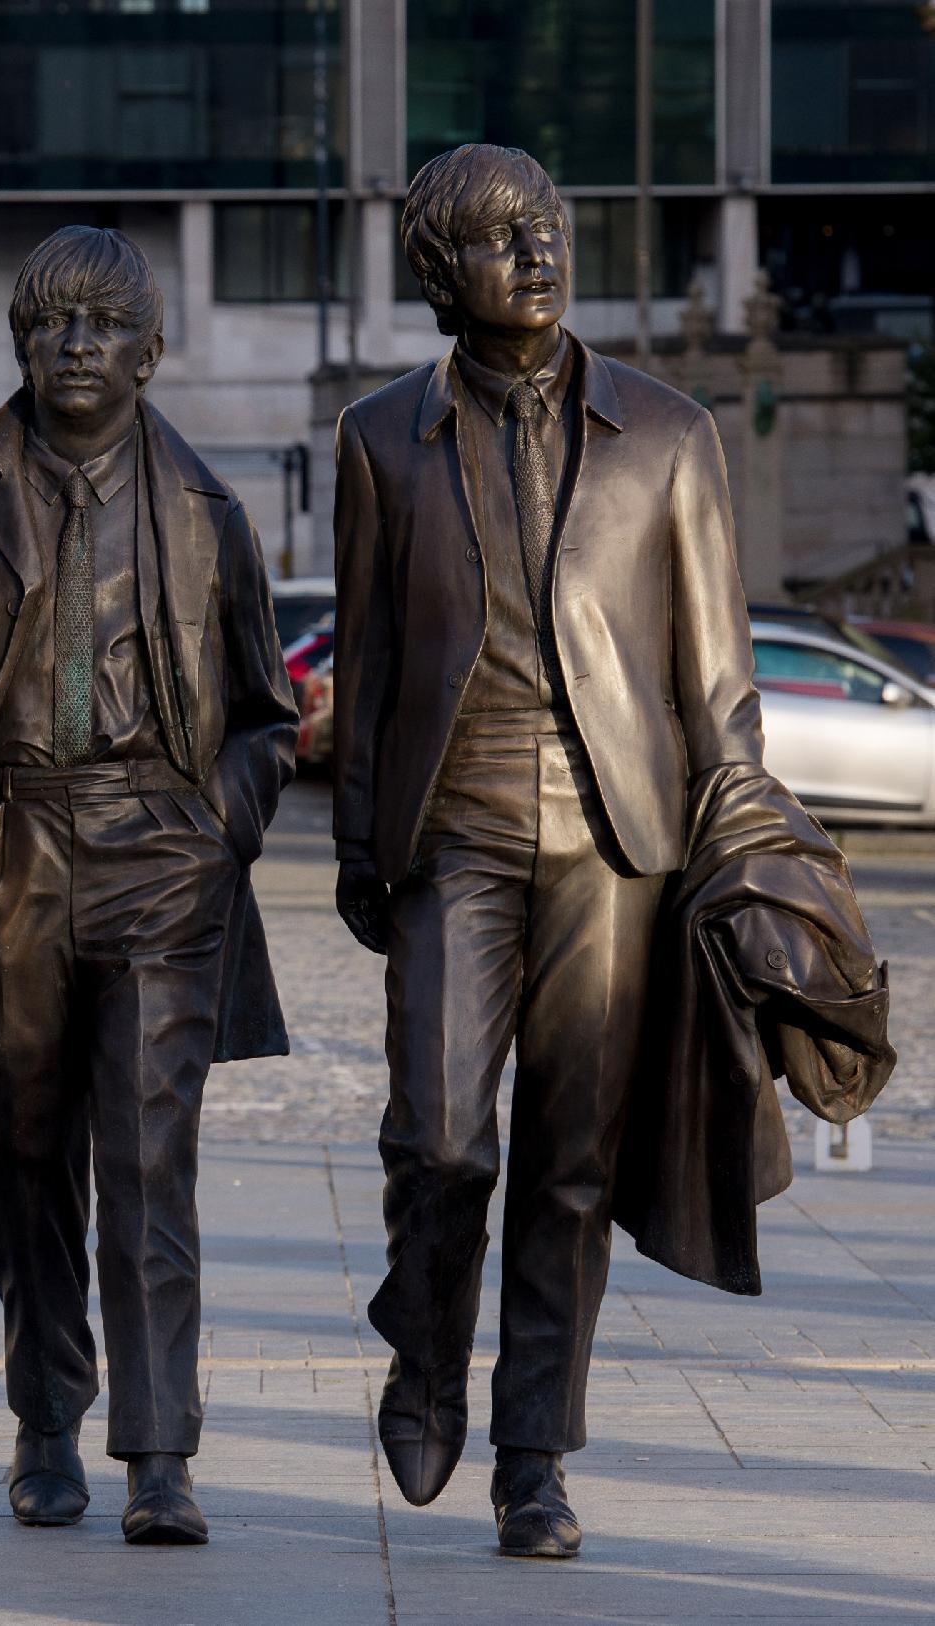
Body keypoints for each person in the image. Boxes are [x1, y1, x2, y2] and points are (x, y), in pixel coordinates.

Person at [329, 143, 764, 1558]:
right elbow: (374, 655)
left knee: (570, 1160)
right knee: (440, 1139)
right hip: (446, 831)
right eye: (502, 237)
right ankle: (420, 1346)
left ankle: (533, 1457)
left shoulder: (670, 431)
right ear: (440, 273)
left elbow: (716, 681)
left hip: (613, 843)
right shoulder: (379, 437)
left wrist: (740, 846)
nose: (537, 251)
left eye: (549, 228)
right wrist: (353, 846)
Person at [0, 225, 297, 1546]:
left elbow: (266, 713)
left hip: (157, 860)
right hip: (3, 855)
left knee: (149, 1159)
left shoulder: (207, 515)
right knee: (24, 1162)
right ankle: (45, 1419)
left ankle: (158, 1449)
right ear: (19, 341)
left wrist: (210, 824)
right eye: (50, 321)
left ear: (149, 352)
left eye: (101, 323)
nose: (73, 345)